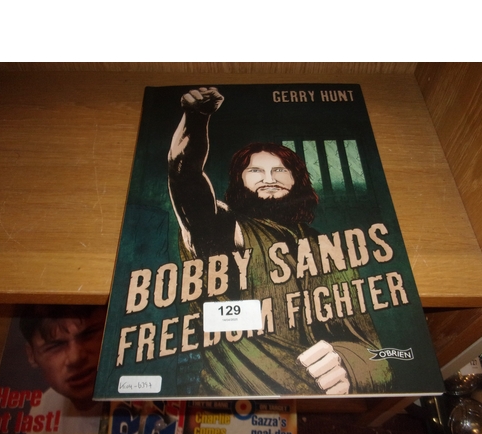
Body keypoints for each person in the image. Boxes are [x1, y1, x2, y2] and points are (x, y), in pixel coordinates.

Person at [168, 87, 393, 397]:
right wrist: (196, 118)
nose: (269, 178)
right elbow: (185, 175)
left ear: (297, 180)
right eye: (255, 171)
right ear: (239, 182)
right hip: (233, 396)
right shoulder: (225, 230)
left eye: (279, 170)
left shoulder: (324, 246)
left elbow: (372, 352)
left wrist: (350, 366)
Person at [20, 304, 106, 434]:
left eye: (89, 334)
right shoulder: (43, 411)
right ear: (31, 355)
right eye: (55, 346)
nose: (75, 358)